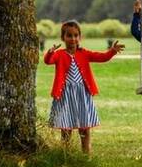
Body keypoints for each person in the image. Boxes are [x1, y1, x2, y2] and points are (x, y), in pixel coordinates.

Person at [44, 21, 125, 153]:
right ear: (63, 38)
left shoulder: (84, 53)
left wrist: (112, 51)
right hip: (65, 95)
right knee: (66, 127)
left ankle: (86, 154)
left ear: (80, 37)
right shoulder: (59, 54)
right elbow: (48, 61)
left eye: (76, 35)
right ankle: (66, 154)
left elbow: (102, 57)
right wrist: (50, 52)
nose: (73, 39)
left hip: (82, 94)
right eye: (69, 35)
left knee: (84, 127)